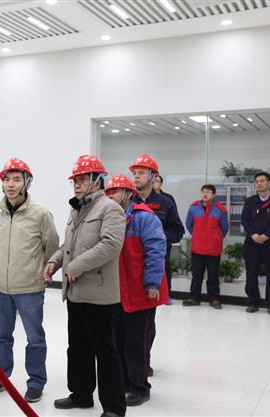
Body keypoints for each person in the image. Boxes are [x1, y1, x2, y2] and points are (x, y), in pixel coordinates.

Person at [45, 154, 127, 417]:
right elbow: (68, 246)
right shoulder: (76, 209)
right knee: (78, 348)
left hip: (100, 295)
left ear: (97, 180)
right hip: (76, 292)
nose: (77, 185)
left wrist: (76, 265)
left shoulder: (110, 208)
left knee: (106, 351)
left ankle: (114, 408)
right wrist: (55, 261)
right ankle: (81, 395)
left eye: (82, 179)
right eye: (75, 180)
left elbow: (111, 245)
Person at [0, 157, 59, 403]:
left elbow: (51, 247)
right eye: (7, 179)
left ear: (27, 183)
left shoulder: (41, 214)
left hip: (29, 288)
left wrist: (37, 270)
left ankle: (36, 382)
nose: (11, 184)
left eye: (16, 179)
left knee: (34, 338)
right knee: (1, 337)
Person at [104, 173, 168, 407]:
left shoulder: (144, 218)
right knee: (118, 340)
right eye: (108, 192)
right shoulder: (109, 218)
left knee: (136, 343)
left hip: (141, 292)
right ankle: (124, 383)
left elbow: (156, 252)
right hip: (118, 292)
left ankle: (140, 388)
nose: (111, 196)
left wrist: (152, 284)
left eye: (115, 191)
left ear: (128, 193)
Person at [130, 154, 184, 303]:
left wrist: (157, 237)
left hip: (156, 260)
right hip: (131, 261)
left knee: (149, 306)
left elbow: (178, 231)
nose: (136, 176)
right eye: (134, 173)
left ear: (153, 177)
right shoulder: (128, 201)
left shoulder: (166, 203)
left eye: (141, 173)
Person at [241, 172, 270, 315]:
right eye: (257, 181)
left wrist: (267, 235)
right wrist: (253, 234)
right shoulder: (250, 201)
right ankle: (253, 303)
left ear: (268, 183)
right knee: (251, 274)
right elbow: (245, 220)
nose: (259, 183)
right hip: (252, 243)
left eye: (262, 181)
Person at [183, 184, 229, 309]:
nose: (205, 194)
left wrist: (215, 238)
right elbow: (189, 224)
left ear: (214, 195)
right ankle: (194, 298)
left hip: (213, 248)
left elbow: (224, 228)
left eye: (208, 192)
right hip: (197, 247)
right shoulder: (193, 208)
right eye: (203, 191)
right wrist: (197, 235)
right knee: (196, 275)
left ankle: (214, 298)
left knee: (213, 275)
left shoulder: (220, 209)